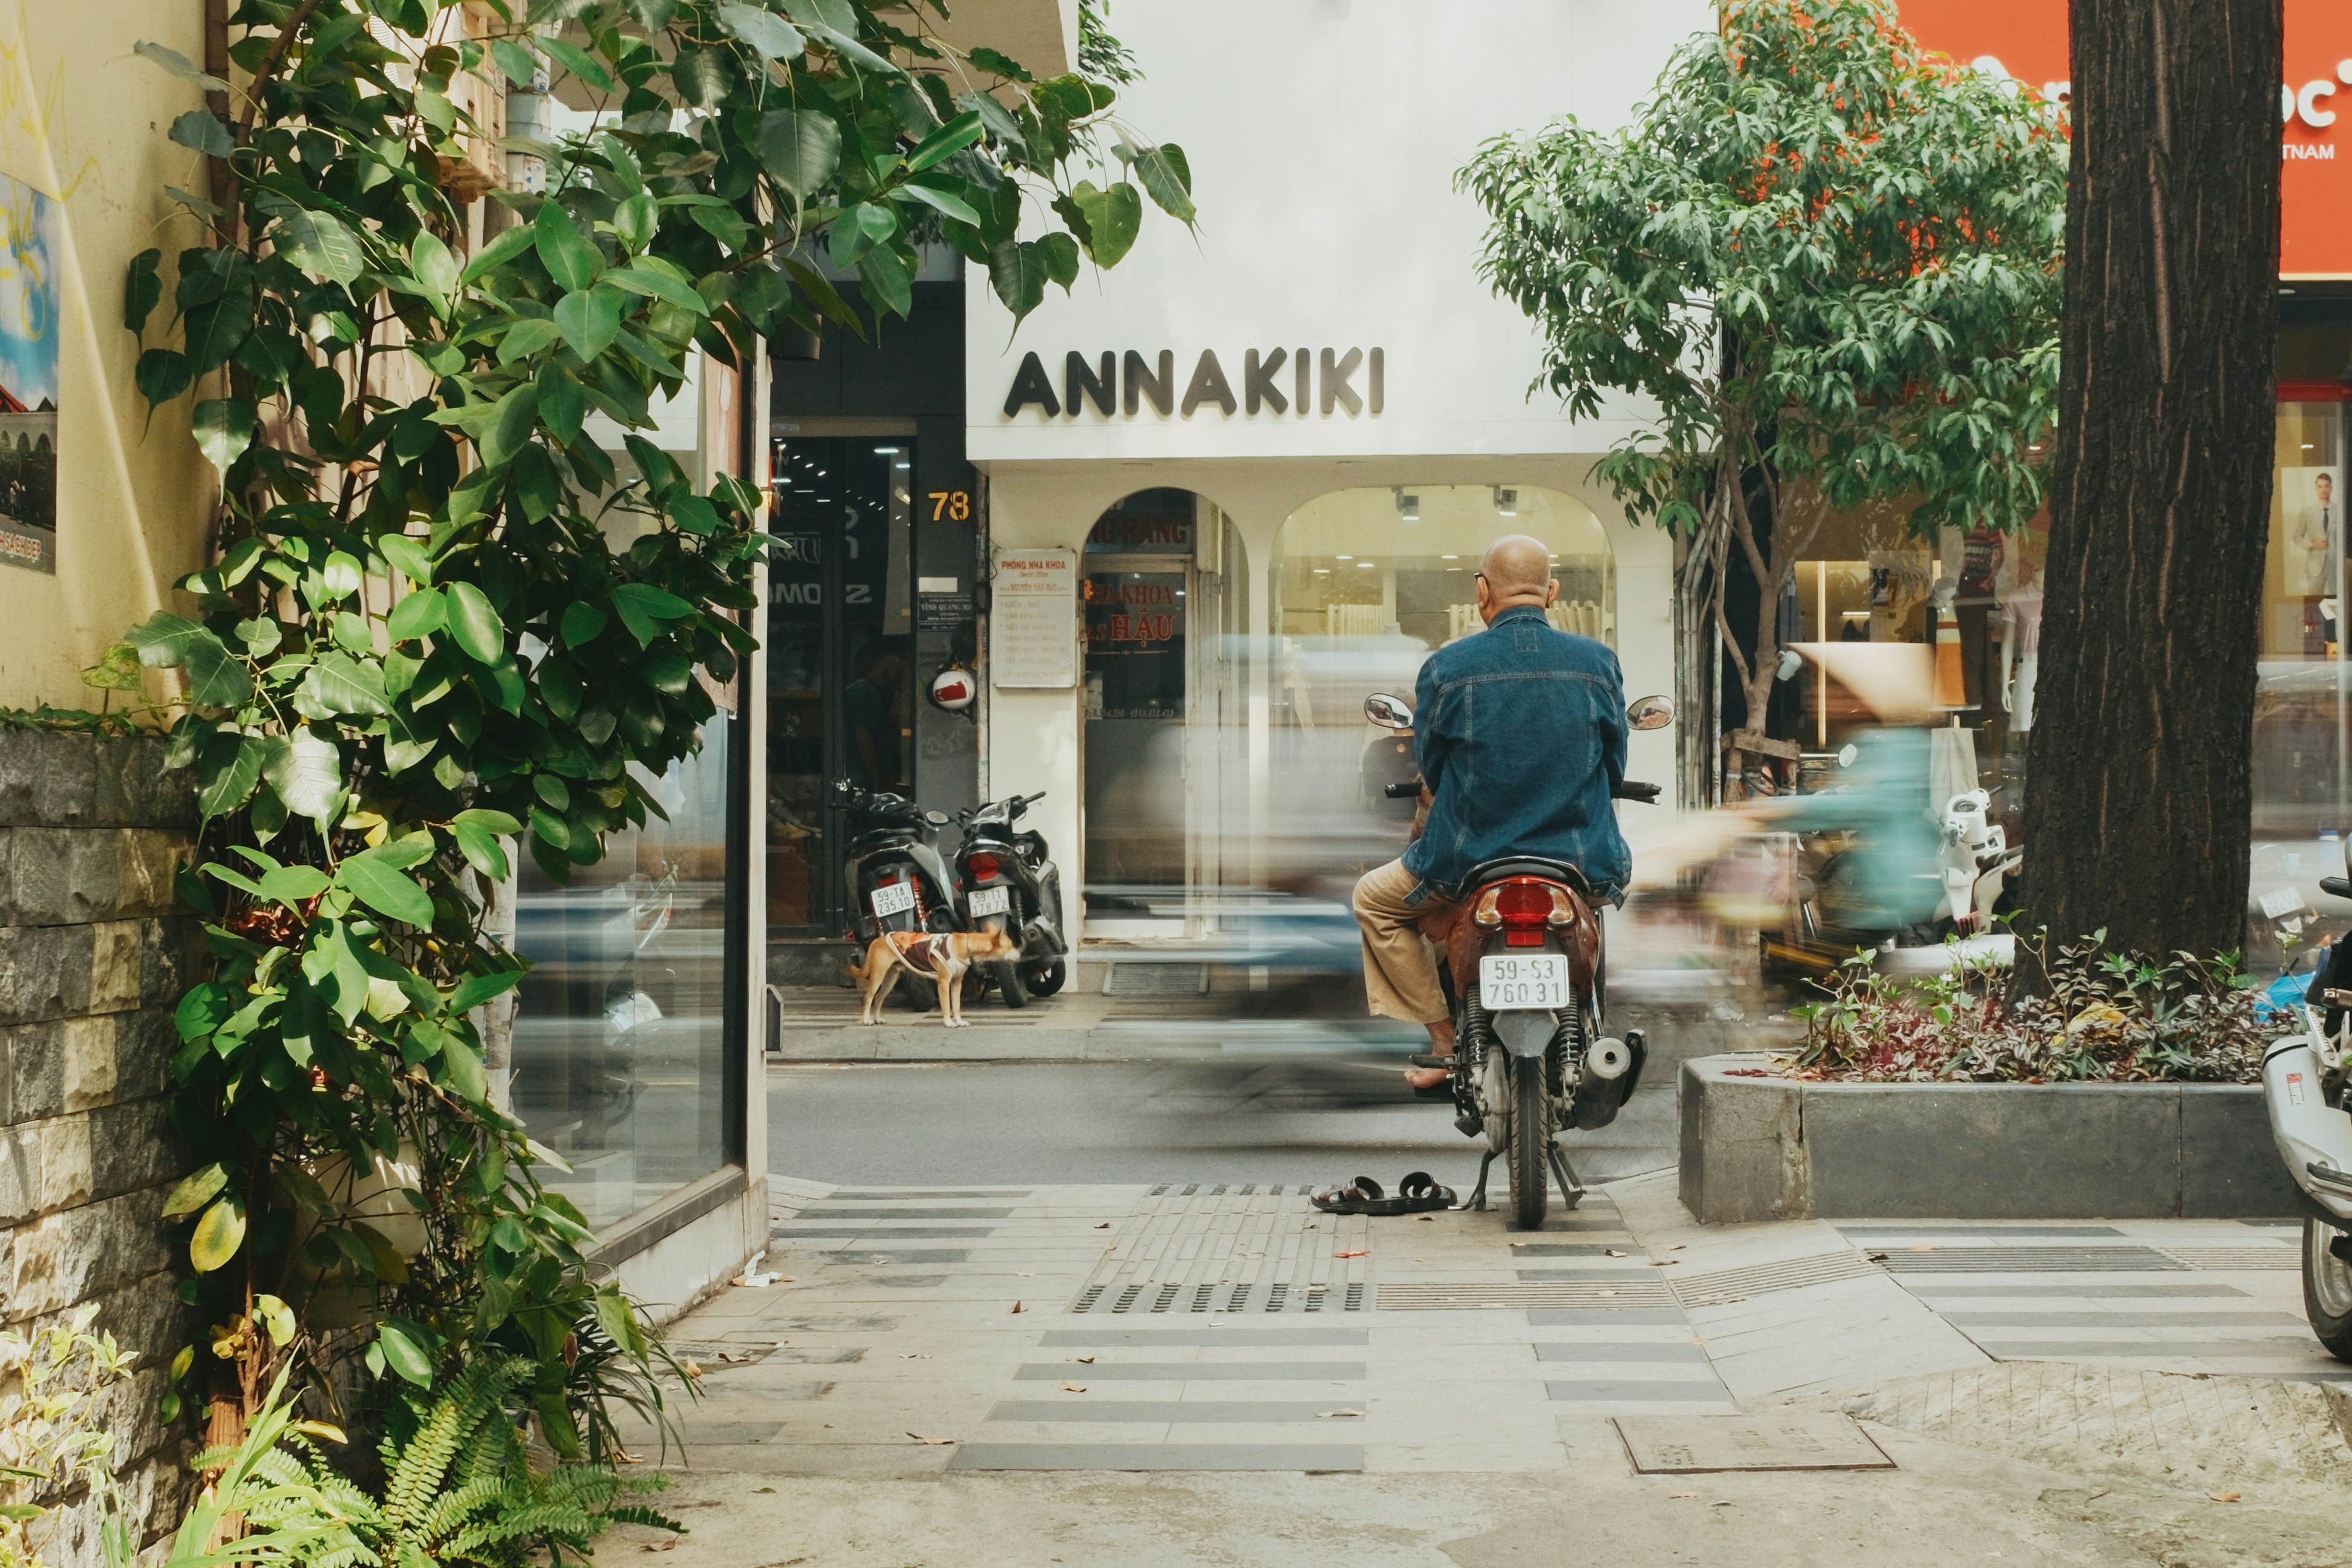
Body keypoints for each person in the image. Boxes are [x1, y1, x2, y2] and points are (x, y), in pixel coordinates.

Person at [1351, 535, 1632, 1089]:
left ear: (1483, 592)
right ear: (1551, 592)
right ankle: (1590, 1024)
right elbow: (1615, 767)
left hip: (1464, 864)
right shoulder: (1598, 663)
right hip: (1582, 863)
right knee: (1594, 910)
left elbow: (1431, 767)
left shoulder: (1447, 668)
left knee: (1373, 901)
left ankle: (1443, 1039)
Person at [844, 650, 906, 790]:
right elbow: (863, 737)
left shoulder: (855, 690)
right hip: (861, 775)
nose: (896, 689)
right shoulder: (869, 694)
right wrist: (876, 778)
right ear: (885, 673)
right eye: (896, 683)